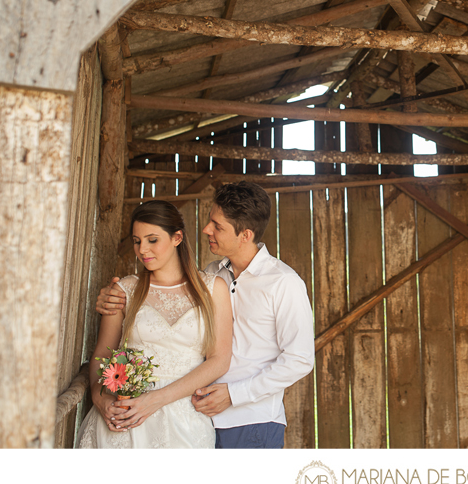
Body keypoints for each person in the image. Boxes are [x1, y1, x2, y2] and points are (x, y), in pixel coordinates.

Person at [96, 182, 315, 448]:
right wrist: (110, 298)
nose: (206, 229)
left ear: (245, 235)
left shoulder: (283, 282)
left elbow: (300, 360)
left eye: (217, 226)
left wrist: (234, 395)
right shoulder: (213, 275)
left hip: (250, 420)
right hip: (198, 416)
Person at [77, 200, 232, 448]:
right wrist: (101, 400)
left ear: (177, 238)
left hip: (185, 419)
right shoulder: (124, 290)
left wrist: (155, 400)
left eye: (152, 240)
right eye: (137, 241)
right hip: (125, 416)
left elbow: (219, 360)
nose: (143, 250)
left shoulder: (212, 288)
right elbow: (102, 355)